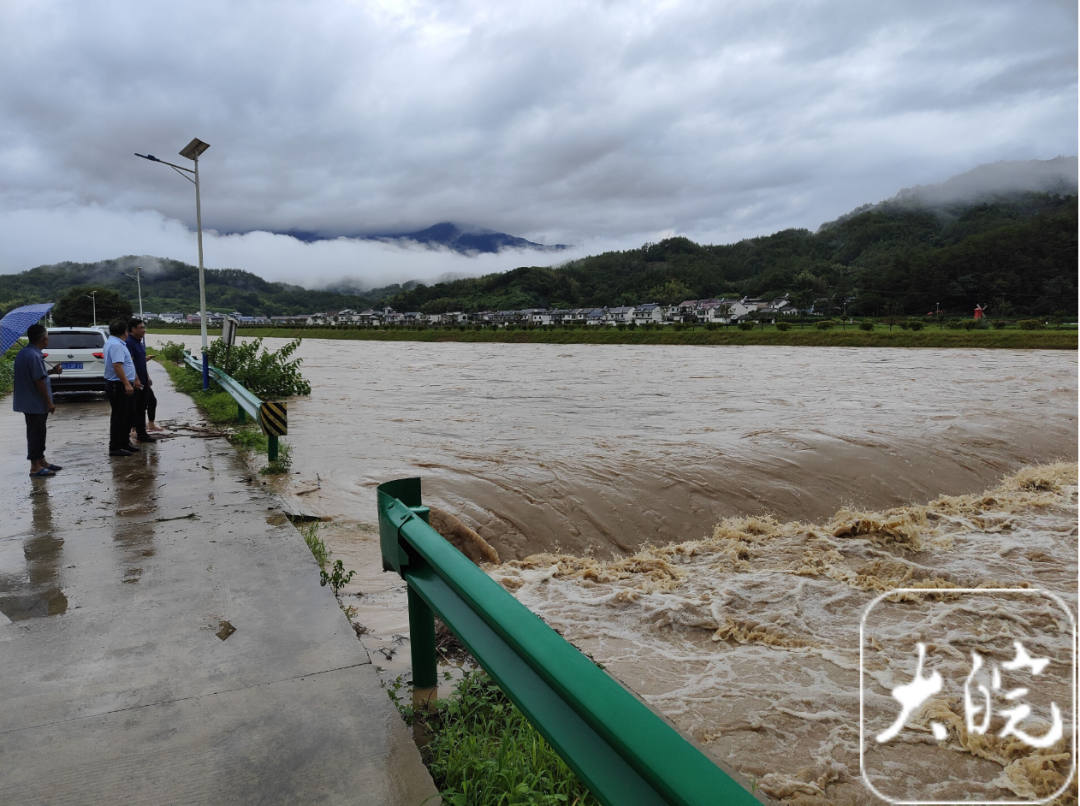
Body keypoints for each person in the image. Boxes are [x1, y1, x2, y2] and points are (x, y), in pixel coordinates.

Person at [12, 324, 64, 477]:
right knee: (36, 433)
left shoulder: (27, 353)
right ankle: (35, 466)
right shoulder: (33, 355)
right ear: (44, 339)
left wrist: (52, 372)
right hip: (35, 402)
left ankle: (41, 460)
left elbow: (37, 374)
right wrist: (48, 402)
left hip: (31, 402)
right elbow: (38, 381)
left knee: (39, 432)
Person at [103, 319, 142, 457]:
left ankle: (125, 442)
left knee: (128, 415)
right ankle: (115, 446)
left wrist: (135, 379)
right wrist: (126, 383)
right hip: (118, 385)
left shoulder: (115, 342)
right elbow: (117, 366)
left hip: (123, 383)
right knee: (119, 416)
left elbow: (127, 364)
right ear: (125, 332)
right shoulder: (116, 345)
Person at [125, 318, 157, 443]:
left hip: (143, 380)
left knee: (142, 407)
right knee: (133, 408)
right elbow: (130, 364)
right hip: (135, 382)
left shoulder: (139, 342)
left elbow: (141, 362)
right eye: (141, 328)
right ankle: (129, 435)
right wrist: (136, 379)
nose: (144, 330)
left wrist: (147, 376)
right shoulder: (129, 343)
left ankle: (142, 433)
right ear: (133, 329)